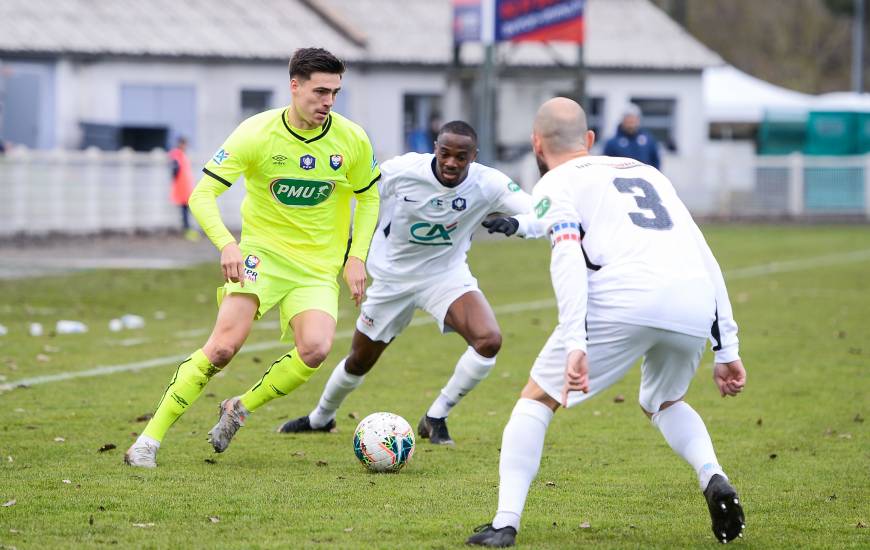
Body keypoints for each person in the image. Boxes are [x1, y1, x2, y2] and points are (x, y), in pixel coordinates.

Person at [467, 98, 746, 546]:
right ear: (590, 140)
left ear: (536, 144)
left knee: (535, 401)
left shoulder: (554, 181)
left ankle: (505, 522)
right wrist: (726, 348)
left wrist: (575, 340)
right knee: (663, 400)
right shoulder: (646, 171)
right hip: (692, 299)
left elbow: (566, 254)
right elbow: (704, 254)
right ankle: (713, 475)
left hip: (622, 299)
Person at [124, 47, 381, 468]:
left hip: (317, 267)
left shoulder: (350, 138)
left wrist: (357, 257)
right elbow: (202, 193)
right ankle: (148, 441)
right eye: (320, 91)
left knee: (315, 349)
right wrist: (228, 243)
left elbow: (369, 197)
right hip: (260, 257)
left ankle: (238, 408)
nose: (328, 102)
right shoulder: (257, 133)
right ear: (294, 86)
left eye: (335, 92)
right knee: (223, 348)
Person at [278, 120, 541, 445]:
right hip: (392, 278)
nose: (451, 163)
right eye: (445, 153)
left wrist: (518, 224)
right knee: (360, 360)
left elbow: (541, 212)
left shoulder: (489, 183)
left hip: (445, 275)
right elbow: (362, 196)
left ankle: (436, 416)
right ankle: (320, 418)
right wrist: (350, 250)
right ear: (435, 148)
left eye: (461, 157)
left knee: (488, 340)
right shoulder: (401, 171)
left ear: (473, 157)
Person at [603, 103, 660, 169]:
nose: (631, 122)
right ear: (623, 120)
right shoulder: (612, 143)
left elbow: (656, 161)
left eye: (633, 118)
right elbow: (606, 165)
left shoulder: (648, 140)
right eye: (628, 118)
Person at [167, 136, 199, 240]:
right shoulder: (177, 154)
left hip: (185, 186)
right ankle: (187, 229)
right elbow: (175, 169)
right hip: (181, 187)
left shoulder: (181, 155)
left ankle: (187, 229)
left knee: (186, 209)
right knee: (185, 209)